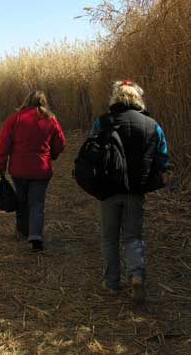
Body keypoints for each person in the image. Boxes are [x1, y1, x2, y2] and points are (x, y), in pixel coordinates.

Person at [90, 80, 169, 303]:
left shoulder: (102, 122)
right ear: (138, 99)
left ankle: (112, 283)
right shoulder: (152, 124)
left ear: (115, 98)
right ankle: (136, 276)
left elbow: (91, 150)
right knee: (133, 237)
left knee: (109, 237)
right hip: (136, 190)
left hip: (108, 190)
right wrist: (153, 178)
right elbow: (162, 157)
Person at [0, 90, 66, 251]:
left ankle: (22, 231)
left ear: (27, 101)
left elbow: (3, 144)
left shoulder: (15, 118)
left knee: (22, 201)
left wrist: (1, 166)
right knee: (37, 203)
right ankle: (35, 237)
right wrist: (52, 155)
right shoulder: (50, 120)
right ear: (43, 102)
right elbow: (60, 142)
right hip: (41, 169)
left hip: (19, 170)